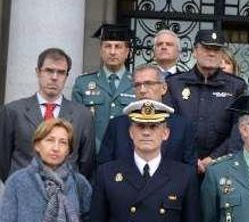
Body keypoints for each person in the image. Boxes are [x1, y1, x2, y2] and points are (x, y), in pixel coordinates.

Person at [0, 47, 96, 182]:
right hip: (24, 194)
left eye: (61, 72)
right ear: (38, 72)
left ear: (66, 76)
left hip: (66, 194)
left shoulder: (83, 116)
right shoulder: (12, 111)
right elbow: (3, 161)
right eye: (49, 71)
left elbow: (87, 164)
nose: (54, 77)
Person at [165, 29, 247, 175]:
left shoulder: (236, 86)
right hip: (180, 165)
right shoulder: (174, 84)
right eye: (206, 48)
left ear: (222, 54)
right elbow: (169, 125)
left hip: (223, 168)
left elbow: (239, 129)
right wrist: (191, 158)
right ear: (194, 51)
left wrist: (214, 158)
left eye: (216, 49)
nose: (211, 53)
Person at [97, 64, 197, 166]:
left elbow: (189, 171)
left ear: (164, 88)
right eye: (137, 85)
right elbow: (104, 169)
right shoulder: (117, 126)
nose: (142, 90)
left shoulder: (182, 126)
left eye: (149, 83)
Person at [73, 24, 137, 149]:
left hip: (126, 154)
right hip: (91, 154)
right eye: (108, 46)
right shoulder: (83, 83)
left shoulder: (138, 84)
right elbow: (76, 123)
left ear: (127, 52)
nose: (112, 52)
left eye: (118, 47)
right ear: (101, 51)